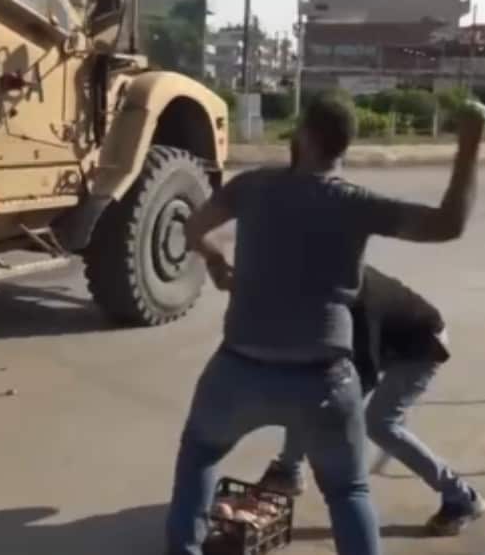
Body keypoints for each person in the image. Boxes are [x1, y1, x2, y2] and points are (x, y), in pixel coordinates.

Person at [164, 94, 485, 555]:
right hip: (324, 380)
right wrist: (470, 145)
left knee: (199, 455)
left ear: (306, 136)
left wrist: (216, 261)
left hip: (238, 371)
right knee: (348, 491)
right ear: (344, 147)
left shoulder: (252, 187)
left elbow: (194, 227)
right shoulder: (355, 204)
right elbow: (447, 224)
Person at [258, 265, 482, 537]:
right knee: (312, 389)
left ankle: (461, 498)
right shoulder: (321, 282)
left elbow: (361, 377)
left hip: (422, 347)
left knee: (380, 424)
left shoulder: (358, 304)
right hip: (392, 341)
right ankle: (288, 471)